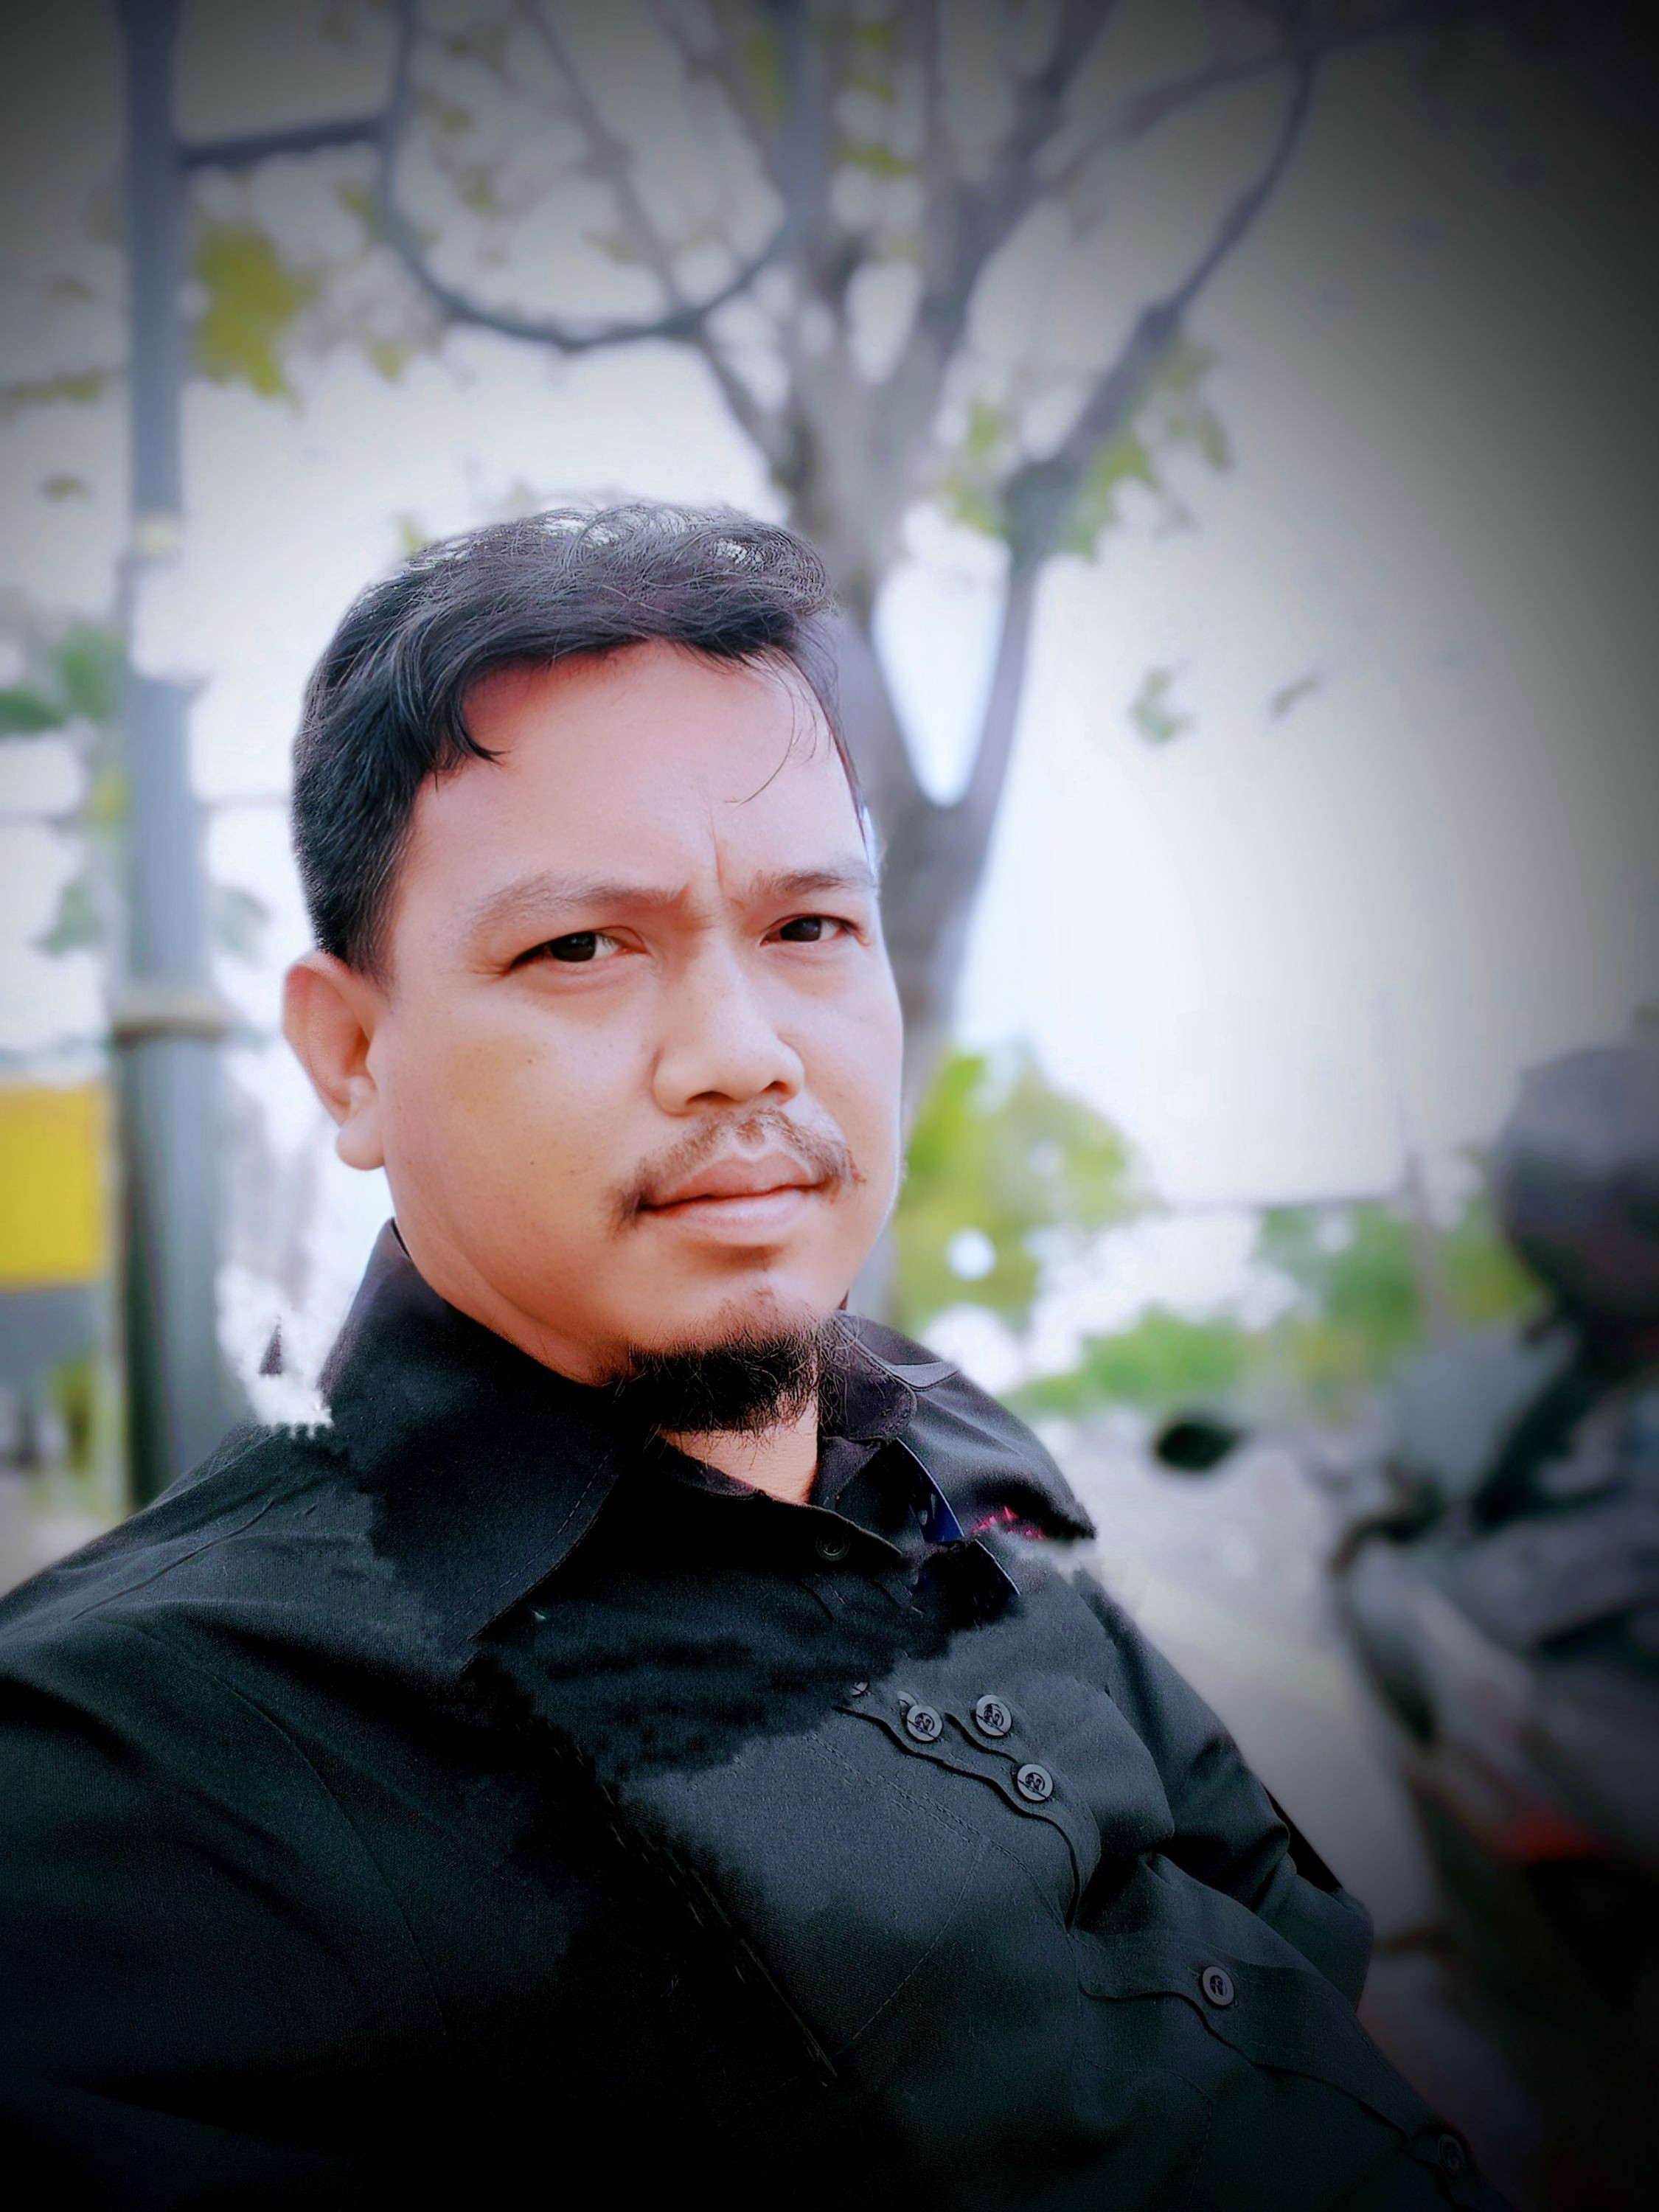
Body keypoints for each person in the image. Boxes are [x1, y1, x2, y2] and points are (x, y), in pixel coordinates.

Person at [0, 505, 1500, 2209]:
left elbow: (1306, 1965)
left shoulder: (956, 1476)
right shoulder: (151, 1757)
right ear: (351, 1057)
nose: (742, 1050)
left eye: (809, 930)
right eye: (581, 948)